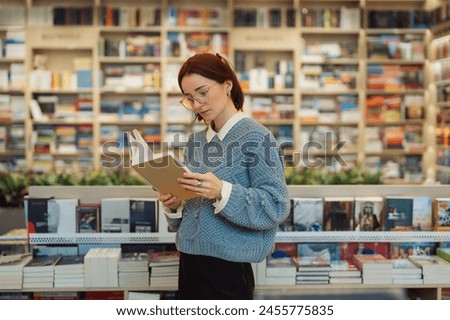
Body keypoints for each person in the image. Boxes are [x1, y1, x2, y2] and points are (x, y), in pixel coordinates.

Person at [158, 53, 289, 300]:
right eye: (190, 98)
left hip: (228, 269)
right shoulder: (196, 142)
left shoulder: (257, 138)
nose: (197, 104)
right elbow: (191, 213)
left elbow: (276, 205)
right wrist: (175, 205)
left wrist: (221, 191)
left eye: (203, 92)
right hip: (189, 262)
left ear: (227, 84)